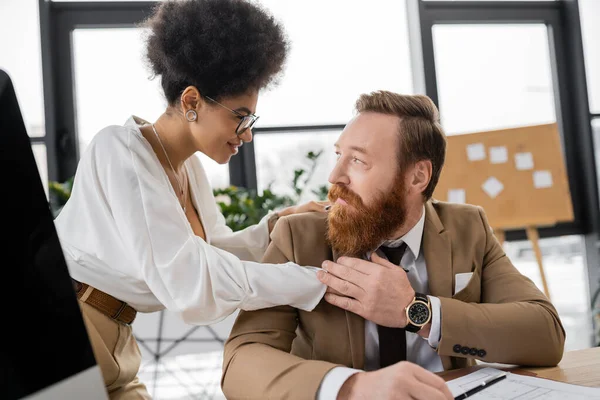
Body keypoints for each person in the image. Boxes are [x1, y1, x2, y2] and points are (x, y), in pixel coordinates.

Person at [53, 0, 330, 398]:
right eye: (240, 116)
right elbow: (190, 282)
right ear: (191, 102)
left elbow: (213, 249)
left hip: (116, 339)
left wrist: (279, 224)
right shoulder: (120, 151)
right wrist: (315, 283)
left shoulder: (187, 169)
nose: (247, 133)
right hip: (65, 330)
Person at [221, 91, 566, 400]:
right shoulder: (297, 237)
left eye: (357, 160)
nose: (335, 176)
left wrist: (417, 311)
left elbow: (546, 334)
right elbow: (241, 360)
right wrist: (351, 387)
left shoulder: (468, 226)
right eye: (339, 155)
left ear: (417, 177)